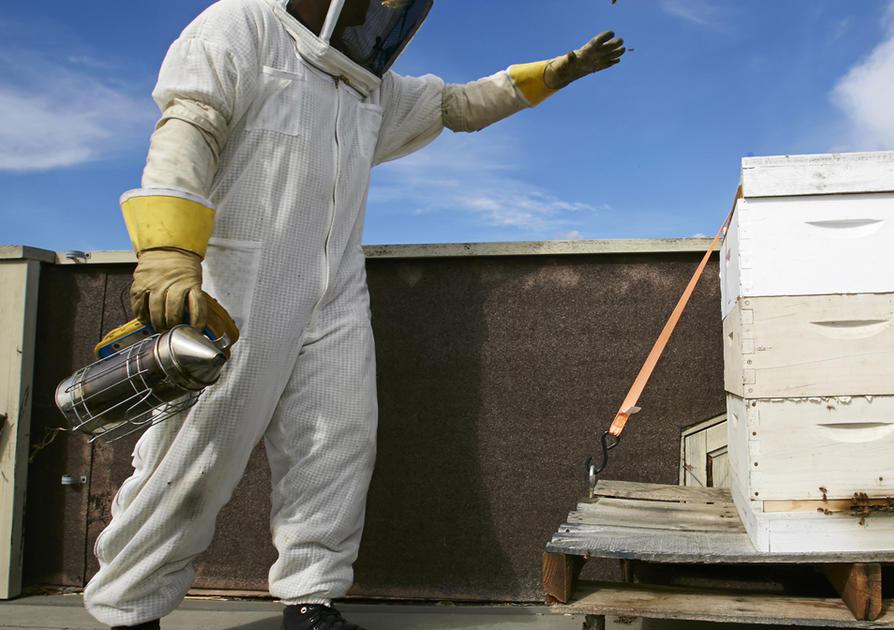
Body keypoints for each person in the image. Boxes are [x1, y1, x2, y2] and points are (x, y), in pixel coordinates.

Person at [83, 1, 624, 629]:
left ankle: (311, 601)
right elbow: (188, 126)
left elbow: (456, 106)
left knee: (336, 446)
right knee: (195, 453)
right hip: (236, 286)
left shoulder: (372, 87)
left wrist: (555, 73)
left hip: (336, 288)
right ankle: (128, 609)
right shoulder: (241, 26)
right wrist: (170, 251)